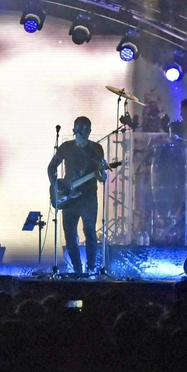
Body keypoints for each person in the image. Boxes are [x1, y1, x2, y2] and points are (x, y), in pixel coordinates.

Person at [46, 116, 110, 275]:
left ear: (89, 131)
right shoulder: (66, 147)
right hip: (69, 196)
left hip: (88, 197)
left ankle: (91, 268)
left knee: (89, 232)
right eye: (80, 132)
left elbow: (101, 176)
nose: (83, 136)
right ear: (75, 131)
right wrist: (56, 187)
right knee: (70, 235)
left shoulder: (96, 149)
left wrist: (102, 175)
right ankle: (77, 269)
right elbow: (51, 168)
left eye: (86, 132)